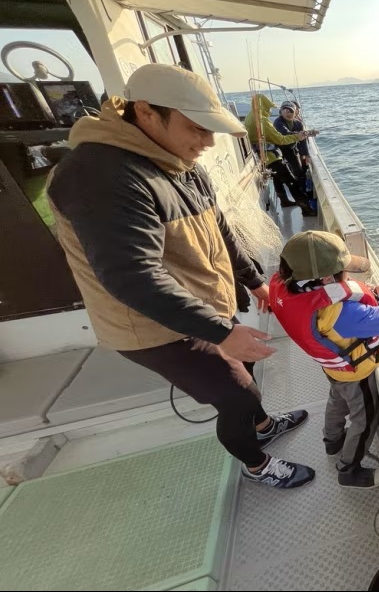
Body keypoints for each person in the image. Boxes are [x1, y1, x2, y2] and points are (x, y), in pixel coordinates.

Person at [47, 63, 314, 489]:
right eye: (196, 128)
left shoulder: (177, 159)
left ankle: (263, 426)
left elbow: (218, 228)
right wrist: (218, 331)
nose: (208, 143)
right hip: (152, 327)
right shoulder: (99, 175)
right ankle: (257, 464)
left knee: (243, 372)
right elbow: (131, 276)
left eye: (211, 131)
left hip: (202, 307)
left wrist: (253, 281)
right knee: (237, 394)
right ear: (147, 113)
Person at [268, 231, 379, 488]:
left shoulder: (282, 287)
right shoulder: (341, 311)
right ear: (328, 279)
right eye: (345, 271)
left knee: (336, 400)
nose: (348, 276)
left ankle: (332, 442)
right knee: (364, 419)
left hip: (331, 369)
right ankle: (348, 469)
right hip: (356, 375)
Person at [244, 94, 315, 216]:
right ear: (263, 107)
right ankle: (307, 210)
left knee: (278, 179)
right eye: (269, 107)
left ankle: (284, 202)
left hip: (262, 157)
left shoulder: (249, 116)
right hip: (271, 157)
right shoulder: (262, 120)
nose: (271, 111)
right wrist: (298, 136)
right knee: (291, 182)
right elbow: (280, 139)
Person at [273, 100, 318, 213]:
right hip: (279, 152)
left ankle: (304, 201)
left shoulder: (298, 123)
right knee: (278, 177)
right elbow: (285, 134)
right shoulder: (278, 122)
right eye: (286, 110)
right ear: (281, 111)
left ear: (295, 113)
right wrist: (305, 133)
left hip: (293, 150)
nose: (288, 113)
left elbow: (302, 141)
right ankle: (284, 200)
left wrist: (305, 154)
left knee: (299, 174)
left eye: (291, 111)